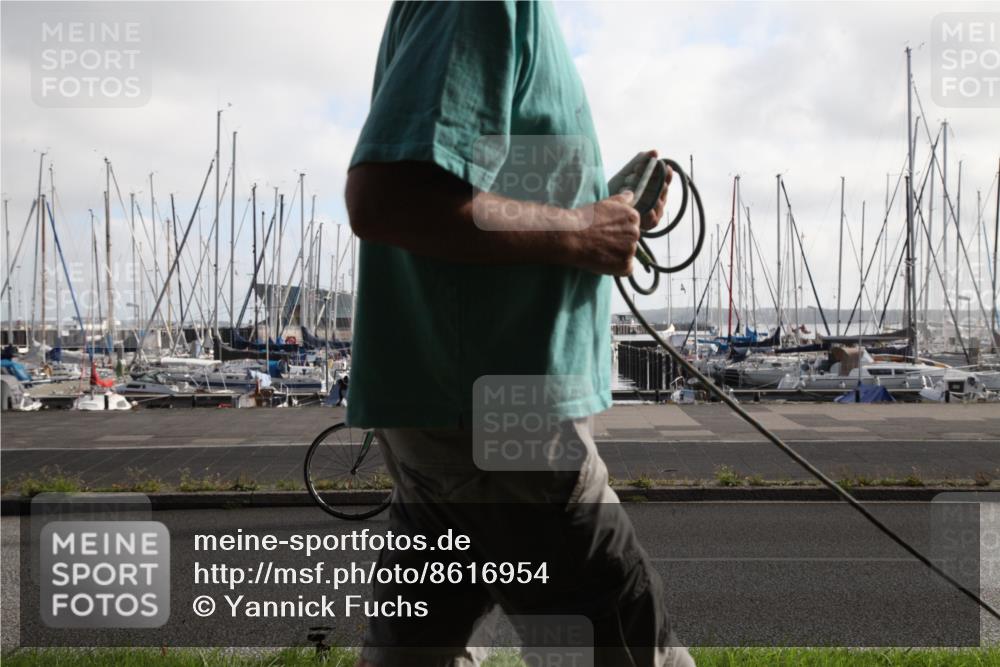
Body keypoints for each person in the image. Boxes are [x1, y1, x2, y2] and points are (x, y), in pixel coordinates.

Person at [345, 2, 693, 666]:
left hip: (461, 421)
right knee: (625, 647)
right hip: (501, 424)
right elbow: (387, 198)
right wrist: (583, 231)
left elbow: (480, 191)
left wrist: (602, 209)